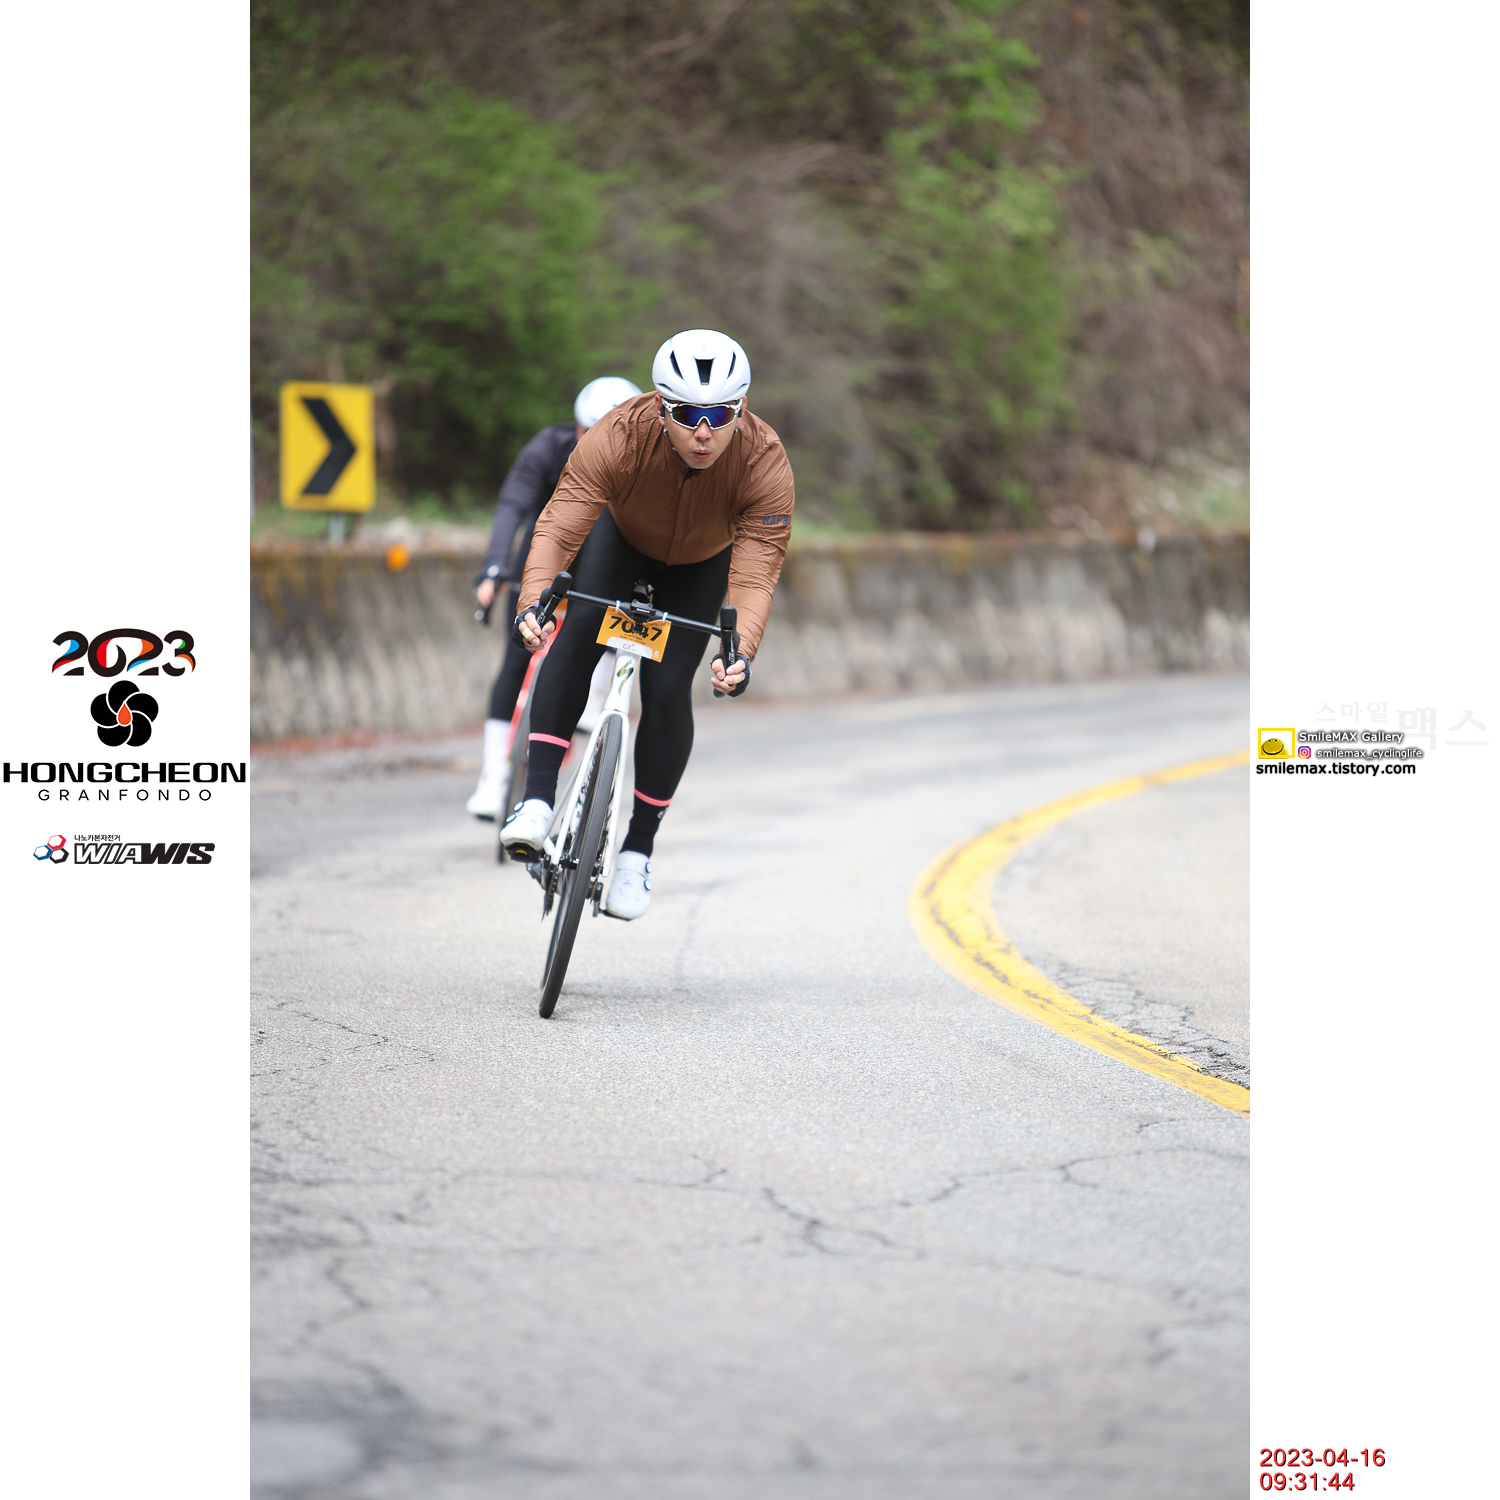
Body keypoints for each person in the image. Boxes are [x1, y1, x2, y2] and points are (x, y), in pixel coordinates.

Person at [500, 328, 795, 920]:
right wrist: (533, 603)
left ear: (741, 408)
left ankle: (637, 852)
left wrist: (739, 652)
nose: (704, 431)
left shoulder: (764, 461)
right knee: (579, 633)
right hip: (622, 542)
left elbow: (756, 573)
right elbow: (559, 525)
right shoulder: (618, 435)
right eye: (687, 414)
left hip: (702, 564)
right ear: (660, 407)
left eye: (720, 414)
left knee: (667, 689)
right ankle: (536, 803)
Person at [465, 376, 642, 818]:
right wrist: (494, 566)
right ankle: (492, 776)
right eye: (590, 433)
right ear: (577, 429)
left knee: (617, 603)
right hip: (546, 553)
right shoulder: (548, 447)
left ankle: (596, 688)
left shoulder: (645, 466)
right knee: (516, 656)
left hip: (606, 560)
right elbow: (513, 505)